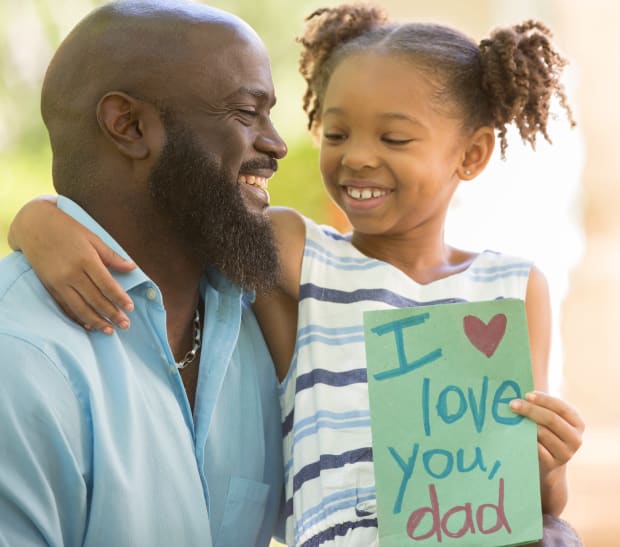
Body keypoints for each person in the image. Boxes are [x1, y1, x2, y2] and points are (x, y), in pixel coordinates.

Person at [10, 4, 586, 546]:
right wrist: (37, 221)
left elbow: (529, 493)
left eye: (394, 138)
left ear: (473, 155)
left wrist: (549, 461)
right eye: (335, 134)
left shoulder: (512, 288)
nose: (355, 156)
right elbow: (165, 222)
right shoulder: (299, 259)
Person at [0, 1, 288, 545]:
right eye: (247, 114)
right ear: (130, 126)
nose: (276, 144)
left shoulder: (263, 315)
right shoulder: (19, 356)